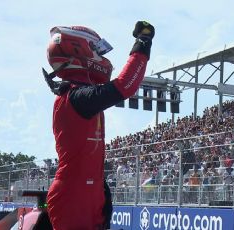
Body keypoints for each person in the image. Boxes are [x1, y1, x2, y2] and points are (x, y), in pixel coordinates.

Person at [43, 21, 155, 229]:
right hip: (74, 195)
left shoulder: (76, 96)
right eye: (97, 50)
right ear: (80, 51)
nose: (102, 57)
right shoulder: (75, 97)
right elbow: (125, 86)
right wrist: (143, 43)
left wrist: (100, 187)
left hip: (89, 189)